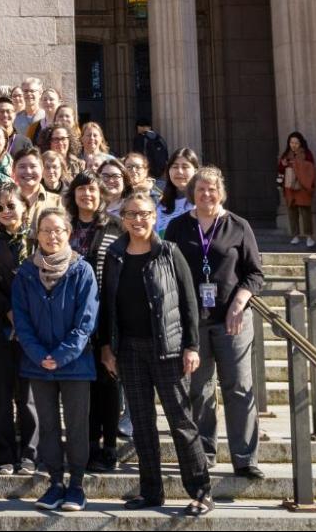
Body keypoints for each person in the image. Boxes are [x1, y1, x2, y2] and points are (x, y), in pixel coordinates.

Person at [98, 191, 212, 516]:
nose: (138, 220)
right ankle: (151, 491)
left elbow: (189, 303)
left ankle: (201, 492)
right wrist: (107, 347)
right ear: (123, 218)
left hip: (168, 349)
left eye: (145, 214)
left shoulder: (169, 252)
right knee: (143, 424)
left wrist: (191, 346)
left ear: (153, 217)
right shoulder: (116, 255)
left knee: (181, 421)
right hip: (129, 351)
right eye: (132, 214)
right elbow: (108, 305)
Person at [165, 168, 265, 481]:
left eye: (212, 189)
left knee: (238, 386)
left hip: (231, 320)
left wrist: (239, 302)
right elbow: (167, 271)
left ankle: (245, 457)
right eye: (200, 190)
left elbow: (255, 273)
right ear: (192, 193)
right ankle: (205, 451)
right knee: (199, 389)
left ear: (221, 192)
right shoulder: (179, 226)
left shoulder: (238, 226)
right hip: (193, 323)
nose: (206, 194)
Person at [11, 207, 99, 513]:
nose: (52, 236)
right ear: (37, 234)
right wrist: (38, 355)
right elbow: (21, 319)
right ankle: (55, 483)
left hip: (75, 364)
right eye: (46, 230)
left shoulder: (82, 270)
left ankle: (76, 485)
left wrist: (61, 356)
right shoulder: (25, 272)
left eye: (58, 230)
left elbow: (86, 322)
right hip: (37, 363)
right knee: (47, 425)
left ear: (69, 233)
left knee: (76, 426)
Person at [67, 171, 123, 472]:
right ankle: (87, 444)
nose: (86, 195)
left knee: (108, 381)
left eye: (91, 190)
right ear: (73, 195)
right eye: (81, 190)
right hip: (73, 317)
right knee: (83, 384)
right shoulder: (66, 227)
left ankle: (110, 446)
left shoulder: (114, 227)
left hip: (107, 315)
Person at [0, 182, 38, 475]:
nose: (6, 211)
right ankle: (6, 454)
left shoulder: (37, 240)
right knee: (2, 394)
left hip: (33, 327)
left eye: (11, 205)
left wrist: (26, 318)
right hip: (1, 327)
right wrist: (8, 313)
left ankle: (30, 454)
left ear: (24, 207)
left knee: (28, 394)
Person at [277, 133, 316, 249]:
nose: (293, 145)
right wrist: (283, 166)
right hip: (289, 187)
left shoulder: (306, 154)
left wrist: (296, 164)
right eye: (291, 143)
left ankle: (309, 236)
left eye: (296, 143)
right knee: (292, 211)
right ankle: (295, 235)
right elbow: (280, 170)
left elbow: (311, 168)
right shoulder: (286, 155)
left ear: (300, 143)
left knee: (305, 211)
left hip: (303, 187)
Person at [156, 149, 201, 234]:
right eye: (175, 167)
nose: (179, 171)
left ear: (195, 171)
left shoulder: (203, 201)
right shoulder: (160, 205)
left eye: (185, 167)